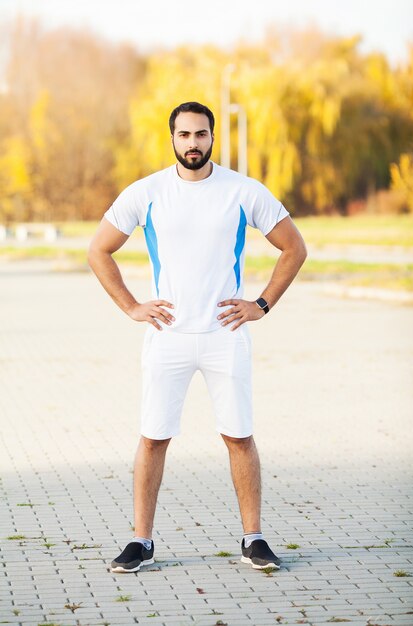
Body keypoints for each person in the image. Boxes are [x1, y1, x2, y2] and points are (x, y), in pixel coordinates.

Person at [88, 101, 307, 573]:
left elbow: (294, 247)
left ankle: (254, 539)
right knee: (153, 438)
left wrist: (261, 304)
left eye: (201, 134)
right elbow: (99, 250)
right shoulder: (147, 193)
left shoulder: (242, 191)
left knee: (239, 436)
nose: (193, 143)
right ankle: (140, 543)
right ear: (173, 138)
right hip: (167, 335)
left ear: (212, 138)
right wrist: (131, 306)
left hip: (224, 335)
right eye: (184, 135)